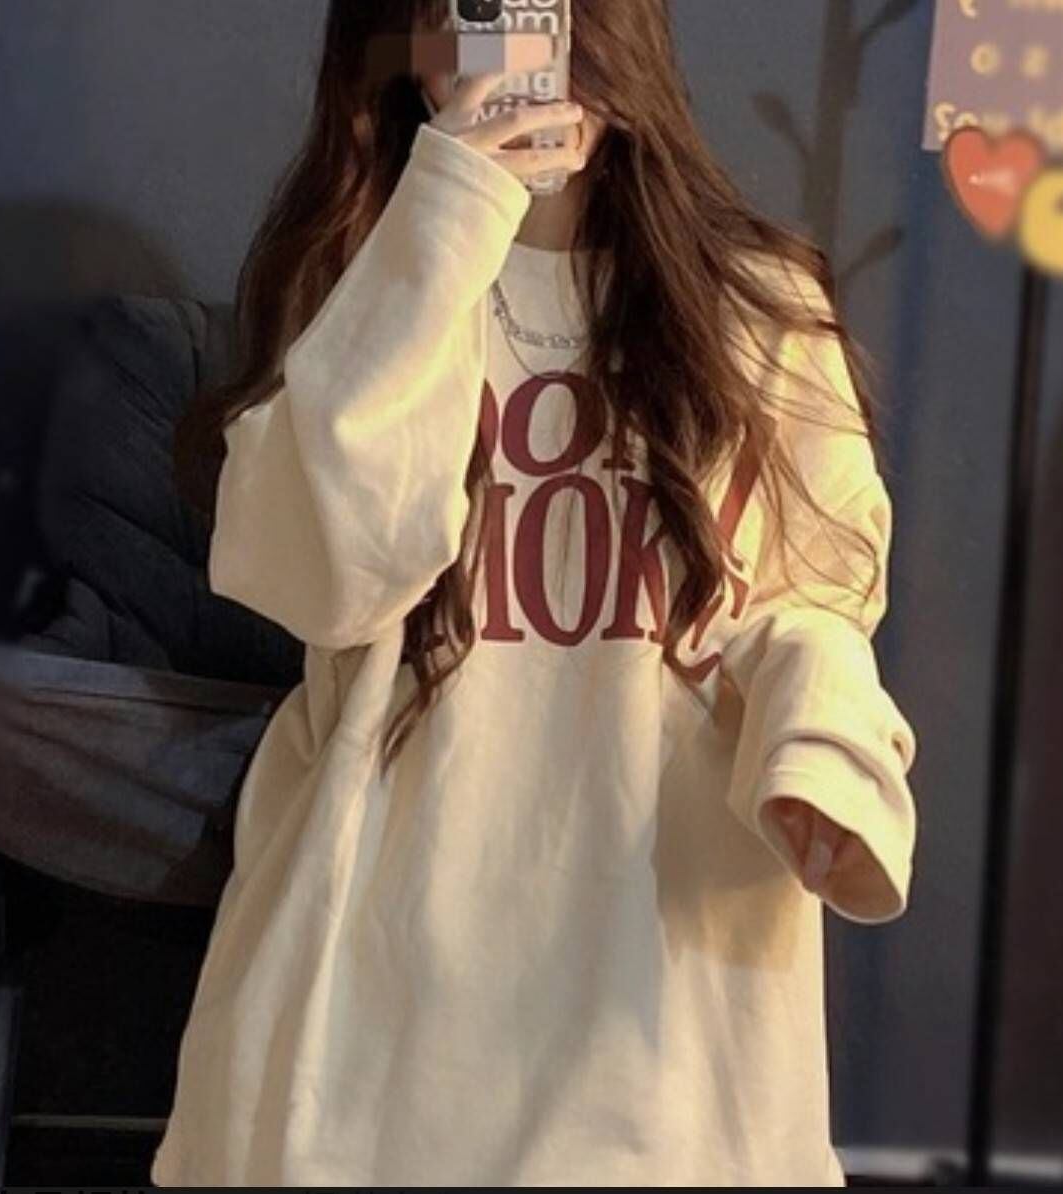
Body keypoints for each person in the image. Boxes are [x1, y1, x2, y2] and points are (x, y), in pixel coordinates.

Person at [153, 0, 919, 1185]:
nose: (518, 47)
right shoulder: (361, 282)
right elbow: (332, 579)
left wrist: (823, 744)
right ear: (408, 48)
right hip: (382, 984)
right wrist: (446, 216)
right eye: (469, 12)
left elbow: (819, 594)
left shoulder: (756, 304)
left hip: (658, 977)